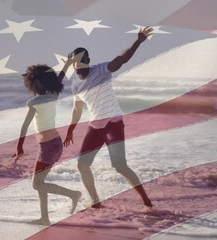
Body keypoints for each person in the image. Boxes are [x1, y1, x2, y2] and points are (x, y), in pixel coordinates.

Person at [63, 27, 154, 208]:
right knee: (82, 165)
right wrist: (70, 130)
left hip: (113, 124)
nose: (79, 70)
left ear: (88, 61)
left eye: (81, 65)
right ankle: (96, 202)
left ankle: (147, 202)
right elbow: (77, 108)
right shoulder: (75, 85)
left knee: (120, 165)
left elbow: (122, 59)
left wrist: (138, 41)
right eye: (76, 67)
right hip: (95, 127)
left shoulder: (102, 70)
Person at [13, 64, 81, 225]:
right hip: (55, 143)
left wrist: (19, 146)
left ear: (34, 83)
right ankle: (45, 217)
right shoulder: (54, 95)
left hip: (48, 146)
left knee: (37, 184)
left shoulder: (34, 102)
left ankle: (73, 194)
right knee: (41, 183)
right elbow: (59, 79)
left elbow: (25, 126)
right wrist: (67, 64)